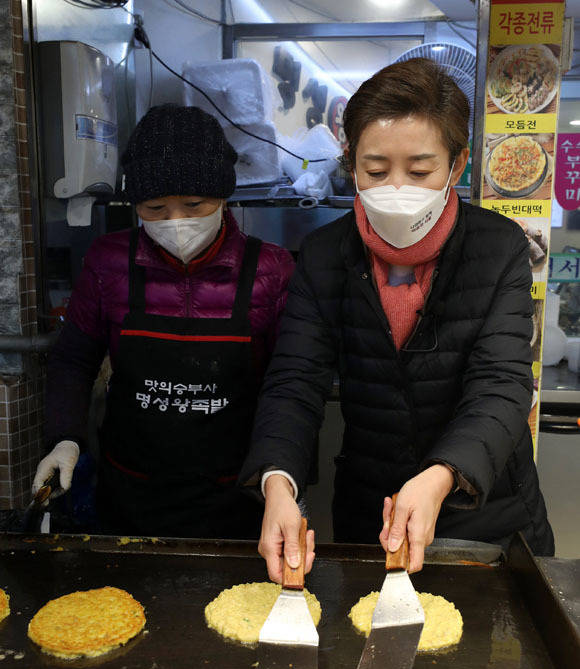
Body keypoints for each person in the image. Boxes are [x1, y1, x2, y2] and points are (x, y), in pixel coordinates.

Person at [239, 58, 554, 582]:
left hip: (488, 514)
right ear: (351, 163)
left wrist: (440, 476)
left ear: (457, 165)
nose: (397, 188)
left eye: (421, 170)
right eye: (376, 170)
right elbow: (295, 380)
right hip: (372, 513)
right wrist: (278, 482)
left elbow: (502, 384)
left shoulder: (498, 246)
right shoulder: (323, 254)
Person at [34, 104, 294, 539]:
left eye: (194, 205)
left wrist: (281, 475)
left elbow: (289, 385)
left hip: (238, 496)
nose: (176, 223)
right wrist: (64, 439)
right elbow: (73, 361)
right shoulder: (109, 261)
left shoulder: (271, 268)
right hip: (131, 493)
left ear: (223, 196)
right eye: (155, 208)